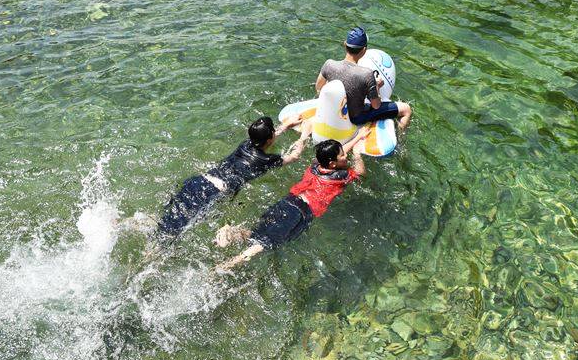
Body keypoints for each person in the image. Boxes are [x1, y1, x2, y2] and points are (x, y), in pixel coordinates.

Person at [214, 132, 369, 271]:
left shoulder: (316, 163)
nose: (345, 156)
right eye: (343, 155)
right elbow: (360, 174)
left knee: (259, 232)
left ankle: (231, 233)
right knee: (267, 243)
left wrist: (357, 138)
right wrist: (357, 154)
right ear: (333, 164)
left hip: (288, 201)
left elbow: (335, 157)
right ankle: (231, 263)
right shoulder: (341, 176)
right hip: (301, 212)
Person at [156, 116, 311, 239]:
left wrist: (285, 125)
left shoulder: (245, 145)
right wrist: (305, 135)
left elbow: (265, 138)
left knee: (168, 219)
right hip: (213, 192)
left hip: (199, 181)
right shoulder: (267, 160)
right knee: (174, 233)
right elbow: (294, 156)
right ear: (270, 138)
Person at [315, 27, 411, 130]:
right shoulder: (366, 74)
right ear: (364, 50)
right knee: (406, 109)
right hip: (356, 118)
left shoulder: (329, 64)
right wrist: (377, 87)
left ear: (345, 44)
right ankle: (400, 136)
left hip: (333, 113)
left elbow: (319, 87)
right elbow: (376, 106)